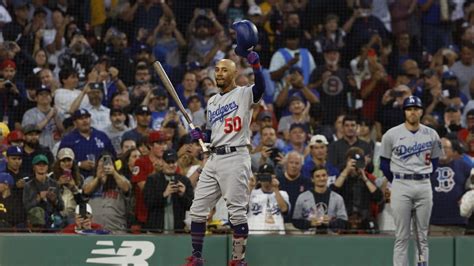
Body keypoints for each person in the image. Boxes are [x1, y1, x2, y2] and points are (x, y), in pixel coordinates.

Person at [185, 48, 265, 265]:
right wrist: (201, 135)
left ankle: (238, 260)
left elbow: (261, 87)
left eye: (224, 70)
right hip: (214, 158)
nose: (219, 73)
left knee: (237, 213)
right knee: (197, 210)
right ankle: (197, 257)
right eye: (217, 70)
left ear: (234, 73)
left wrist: (256, 66)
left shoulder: (243, 93)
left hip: (235, 156)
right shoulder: (212, 101)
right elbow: (212, 132)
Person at [380, 96, 444, 266]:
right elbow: (384, 164)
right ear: (404, 112)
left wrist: (424, 176)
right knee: (401, 235)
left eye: (416, 108)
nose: (413, 112)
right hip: (401, 183)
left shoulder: (431, 134)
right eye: (409, 109)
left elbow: (436, 161)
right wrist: (397, 182)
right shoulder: (391, 134)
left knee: (422, 236)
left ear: (422, 111)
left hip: (423, 184)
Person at [143, 150, 194, 233]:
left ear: (177, 163)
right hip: (156, 230)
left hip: (178, 231)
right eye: (168, 162)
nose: (171, 165)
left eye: (173, 162)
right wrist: (164, 194)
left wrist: (183, 195)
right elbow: (147, 203)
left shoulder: (184, 181)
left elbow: (190, 206)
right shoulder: (152, 180)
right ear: (162, 162)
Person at [430, 137, 472, 235]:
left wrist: (467, 196)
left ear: (452, 151)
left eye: (445, 147)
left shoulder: (463, 165)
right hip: (434, 220)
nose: (442, 151)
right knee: (436, 250)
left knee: (457, 250)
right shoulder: (427, 168)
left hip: (457, 220)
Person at [82, 152, 131, 234]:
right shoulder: (90, 179)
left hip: (116, 228)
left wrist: (114, 173)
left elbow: (126, 188)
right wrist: (98, 178)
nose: (104, 164)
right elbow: (86, 191)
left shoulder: (119, 178)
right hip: (95, 228)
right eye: (102, 160)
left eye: (108, 161)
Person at [292, 165, 347, 233]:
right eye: (317, 176)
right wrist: (310, 223)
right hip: (309, 238)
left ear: (327, 177)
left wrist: (331, 223)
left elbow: (343, 221)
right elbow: (296, 221)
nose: (321, 178)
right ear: (312, 179)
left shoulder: (337, 198)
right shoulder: (302, 197)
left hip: (331, 238)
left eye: (324, 175)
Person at [23, 155, 65, 229]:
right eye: (39, 165)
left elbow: (61, 206)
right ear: (34, 167)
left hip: (52, 217)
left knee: (61, 221)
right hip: (35, 218)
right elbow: (26, 207)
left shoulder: (54, 184)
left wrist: (54, 200)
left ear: (47, 167)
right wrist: (38, 199)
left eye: (44, 165)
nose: (41, 167)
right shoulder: (28, 185)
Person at [247, 164, 289, 235]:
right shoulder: (251, 193)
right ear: (259, 177)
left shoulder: (282, 194)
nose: (265, 178)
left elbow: (284, 209)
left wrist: (276, 189)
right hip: (254, 234)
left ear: (274, 176)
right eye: (263, 175)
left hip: (277, 236)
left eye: (268, 175)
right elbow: (241, 209)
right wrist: (250, 187)